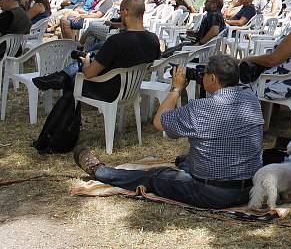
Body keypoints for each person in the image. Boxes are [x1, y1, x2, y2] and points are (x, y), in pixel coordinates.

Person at [74, 55, 263, 209]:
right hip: (250, 188)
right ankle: (187, 167)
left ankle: (103, 172)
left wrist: (176, 88)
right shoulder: (253, 101)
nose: (201, 76)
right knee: (185, 160)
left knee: (157, 176)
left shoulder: (200, 108)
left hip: (213, 193)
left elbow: (159, 122)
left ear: (212, 78)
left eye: (204, 73)